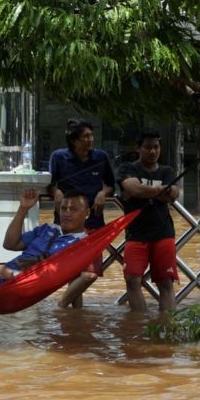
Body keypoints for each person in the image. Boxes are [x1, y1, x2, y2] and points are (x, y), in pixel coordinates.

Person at [48, 117, 116, 307]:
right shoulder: (58, 157)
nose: (90, 139)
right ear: (74, 140)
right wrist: (56, 192)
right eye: (86, 136)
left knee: (89, 274)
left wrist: (103, 193)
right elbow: (50, 184)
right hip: (67, 227)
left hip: (93, 223)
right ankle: (76, 322)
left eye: (91, 135)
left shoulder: (101, 157)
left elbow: (111, 184)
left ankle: (60, 307)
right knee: (73, 274)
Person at [116, 128, 180, 312]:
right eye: (147, 147)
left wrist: (142, 190)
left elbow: (174, 194)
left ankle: (167, 326)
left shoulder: (167, 170)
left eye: (156, 147)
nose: (153, 151)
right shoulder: (127, 168)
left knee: (166, 283)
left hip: (163, 232)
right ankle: (139, 325)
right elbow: (132, 189)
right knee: (132, 280)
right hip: (136, 233)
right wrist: (162, 191)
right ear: (138, 149)